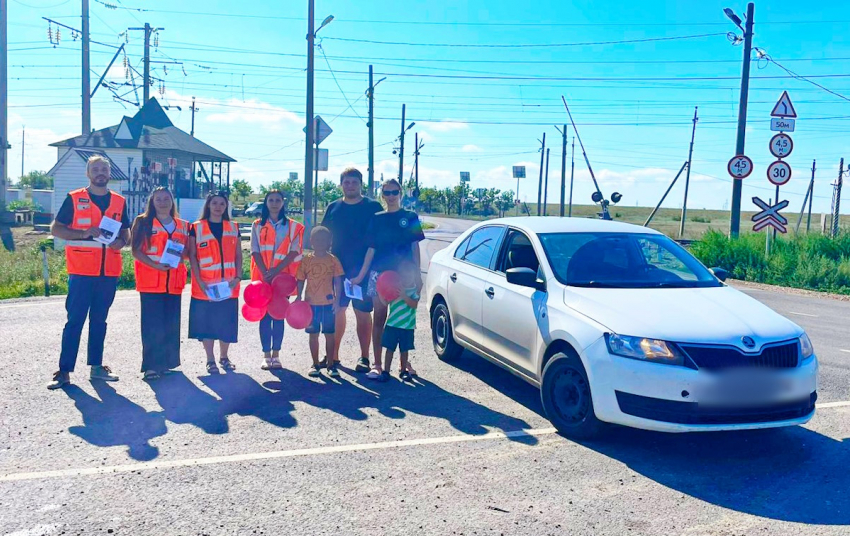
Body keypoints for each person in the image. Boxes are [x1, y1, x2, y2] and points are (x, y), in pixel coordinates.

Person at [48, 155, 131, 390]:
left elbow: (126, 233)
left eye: (104, 169)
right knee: (74, 321)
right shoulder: (75, 198)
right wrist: (84, 233)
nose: (100, 173)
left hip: (108, 272)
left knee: (99, 321)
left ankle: (96, 368)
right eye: (96, 169)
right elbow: (57, 229)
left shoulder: (119, 201)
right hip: (82, 271)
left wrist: (121, 242)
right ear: (88, 173)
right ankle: (64, 371)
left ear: (109, 173)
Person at [351, 179, 425, 379]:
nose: (391, 196)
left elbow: (414, 246)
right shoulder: (377, 218)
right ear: (382, 195)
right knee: (380, 319)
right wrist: (360, 276)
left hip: (405, 275)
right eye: (387, 193)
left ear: (400, 193)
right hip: (379, 275)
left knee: (403, 320)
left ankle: (404, 362)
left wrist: (417, 274)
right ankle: (377, 363)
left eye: (394, 192)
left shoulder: (410, 217)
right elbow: (371, 249)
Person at [321, 168, 383, 373]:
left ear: (361, 184)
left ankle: (364, 357)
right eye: (346, 182)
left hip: (365, 270)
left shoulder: (372, 207)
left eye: (354, 182)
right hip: (337, 270)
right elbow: (323, 238)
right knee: (337, 310)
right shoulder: (333, 208)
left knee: (362, 313)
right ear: (341, 184)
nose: (350, 186)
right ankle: (333, 356)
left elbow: (379, 239)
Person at [131, 187, 189, 381]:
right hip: (151, 281)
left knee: (170, 324)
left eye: (166, 198)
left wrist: (181, 258)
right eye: (158, 199)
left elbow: (188, 252)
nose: (163, 202)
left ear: (172, 201)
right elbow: (136, 251)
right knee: (152, 325)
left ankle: (166, 364)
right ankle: (151, 366)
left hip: (173, 281)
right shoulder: (143, 222)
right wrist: (155, 264)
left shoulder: (182, 225)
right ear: (152, 202)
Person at [187, 192, 242, 374]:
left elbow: (238, 255)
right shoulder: (196, 227)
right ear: (208, 206)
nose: (218, 207)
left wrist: (238, 277)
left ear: (226, 207)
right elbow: (193, 256)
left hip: (228, 286)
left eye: (222, 204)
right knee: (207, 326)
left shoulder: (233, 227)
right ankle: (210, 360)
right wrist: (199, 281)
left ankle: (224, 357)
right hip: (206, 287)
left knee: (226, 324)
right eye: (214, 203)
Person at [249, 190, 304, 370]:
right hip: (262, 279)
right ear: (266, 202)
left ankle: (276, 355)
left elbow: (294, 252)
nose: (274, 203)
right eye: (271, 200)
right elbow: (254, 250)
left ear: (283, 203)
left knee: (279, 316)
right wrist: (265, 272)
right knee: (264, 317)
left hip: (283, 281)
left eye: (278, 200)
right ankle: (266, 356)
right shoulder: (257, 225)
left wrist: (276, 270)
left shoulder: (293, 227)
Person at [295, 226, 344, 378]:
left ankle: (330, 365)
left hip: (329, 304)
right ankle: (315, 364)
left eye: (324, 240)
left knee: (330, 335)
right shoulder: (306, 260)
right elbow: (300, 280)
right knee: (313, 334)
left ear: (329, 242)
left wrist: (337, 300)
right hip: (311, 305)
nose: (320, 243)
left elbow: (338, 281)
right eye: (317, 240)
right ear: (311, 241)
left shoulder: (333, 260)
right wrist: (298, 297)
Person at [372, 261, 420, 383]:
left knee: (404, 350)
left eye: (409, 276)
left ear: (414, 276)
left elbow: (414, 305)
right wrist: (381, 294)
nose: (407, 279)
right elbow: (386, 303)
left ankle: (403, 370)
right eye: (404, 276)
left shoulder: (414, 291)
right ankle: (386, 371)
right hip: (392, 325)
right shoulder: (394, 290)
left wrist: (404, 296)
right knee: (389, 349)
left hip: (407, 327)